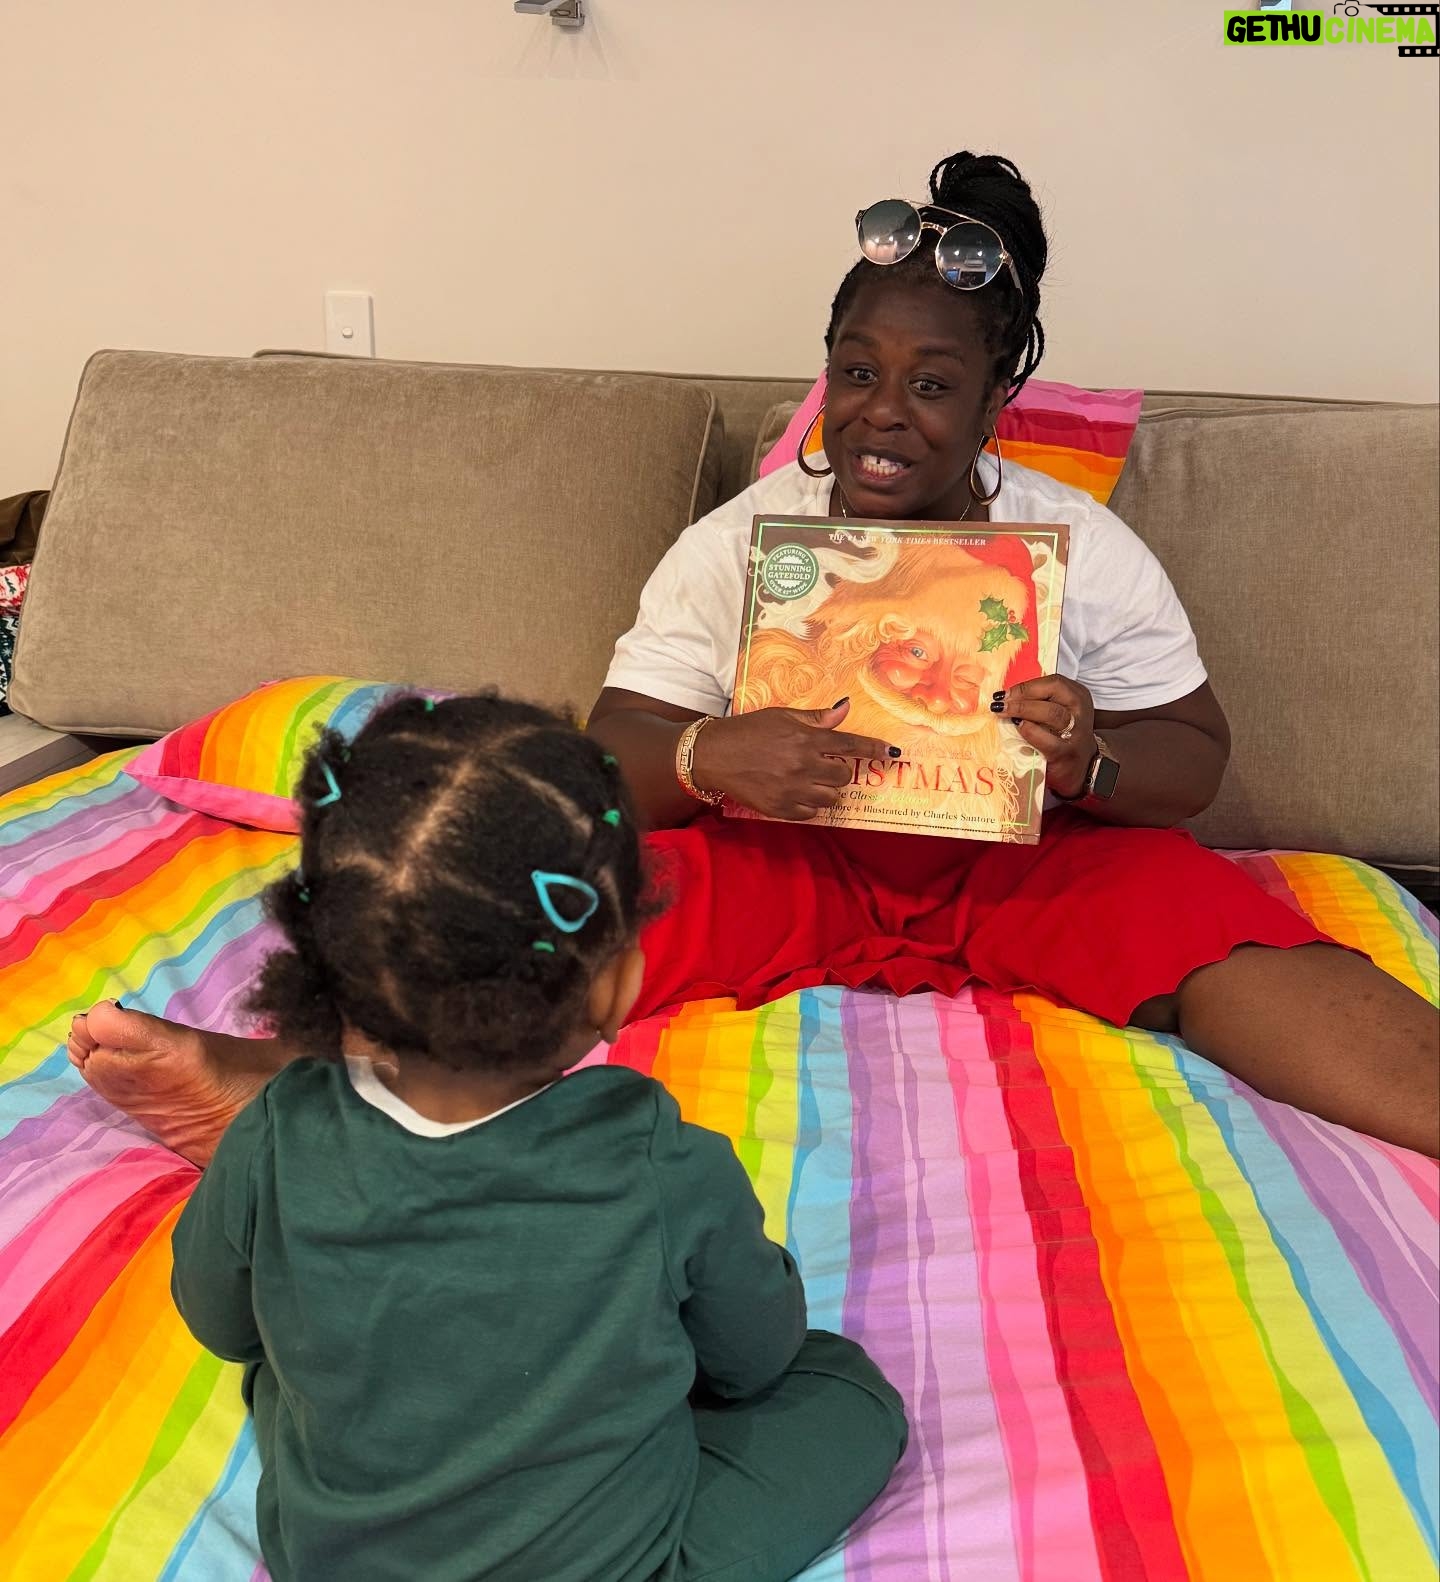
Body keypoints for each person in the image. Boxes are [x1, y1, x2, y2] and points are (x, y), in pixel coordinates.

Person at [69, 149, 1437, 1160]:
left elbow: (1195, 759)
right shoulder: (743, 541)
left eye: (933, 383)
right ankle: (286, 1093)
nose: (883, 412)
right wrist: (708, 754)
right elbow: (605, 766)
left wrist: (1094, 760)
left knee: (1220, 927)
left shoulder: (1077, 545)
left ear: (995, 398)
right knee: (564, 903)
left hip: (1031, 862)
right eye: (857, 370)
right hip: (798, 859)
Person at [155, 694, 906, 1582]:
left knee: (276, 1370)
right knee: (843, 1389)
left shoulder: (277, 1125)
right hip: (613, 1566)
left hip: (329, 1559)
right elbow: (752, 1360)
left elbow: (219, 1321)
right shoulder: (658, 1160)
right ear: (614, 985)